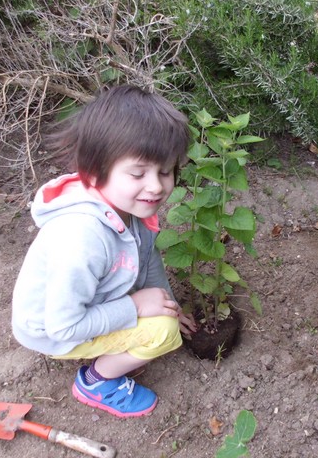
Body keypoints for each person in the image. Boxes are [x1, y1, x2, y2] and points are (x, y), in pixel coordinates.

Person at [12, 84, 196, 418]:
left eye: (166, 171)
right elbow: (63, 327)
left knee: (165, 318)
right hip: (53, 328)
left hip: (82, 305)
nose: (156, 186)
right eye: (138, 173)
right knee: (164, 334)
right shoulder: (82, 239)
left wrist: (170, 305)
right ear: (95, 172)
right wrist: (136, 306)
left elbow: (148, 256)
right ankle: (96, 381)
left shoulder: (130, 207)